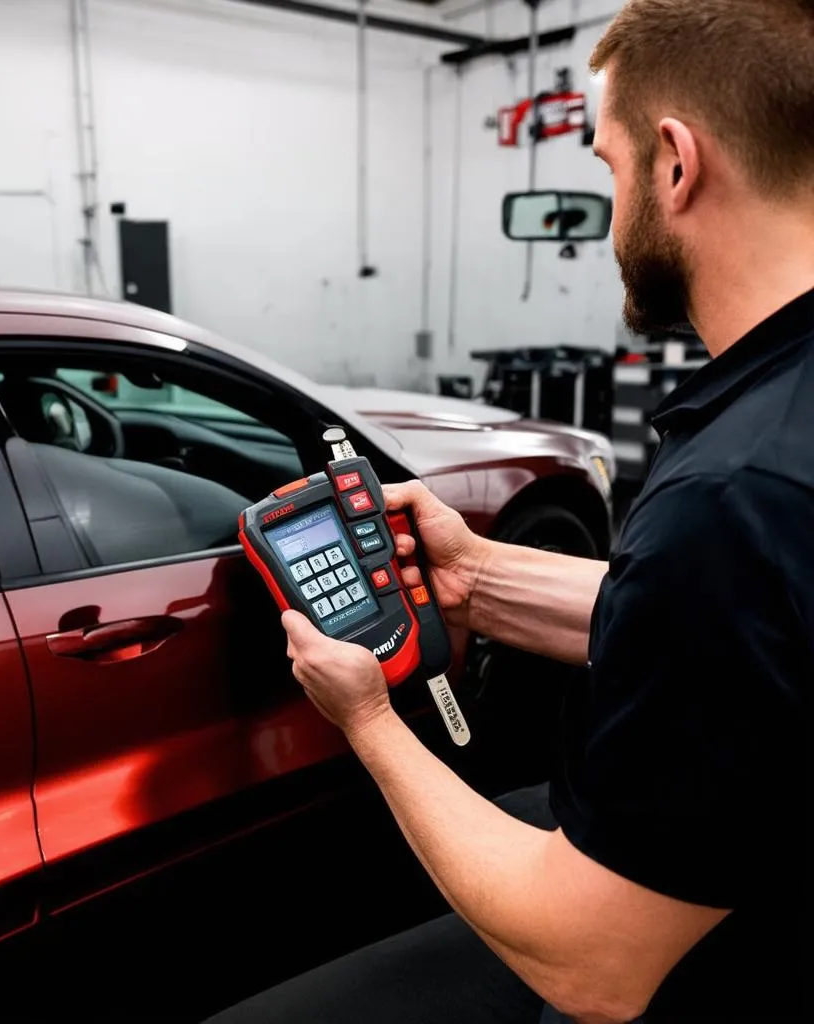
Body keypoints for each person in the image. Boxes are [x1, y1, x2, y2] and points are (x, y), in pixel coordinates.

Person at [206, 0, 813, 1021]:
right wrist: (477, 580)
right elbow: (738, 636)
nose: (610, 204)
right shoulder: (769, 451)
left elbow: (591, 969)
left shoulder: (733, 492)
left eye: (605, 166)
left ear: (674, 164)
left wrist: (362, 716)